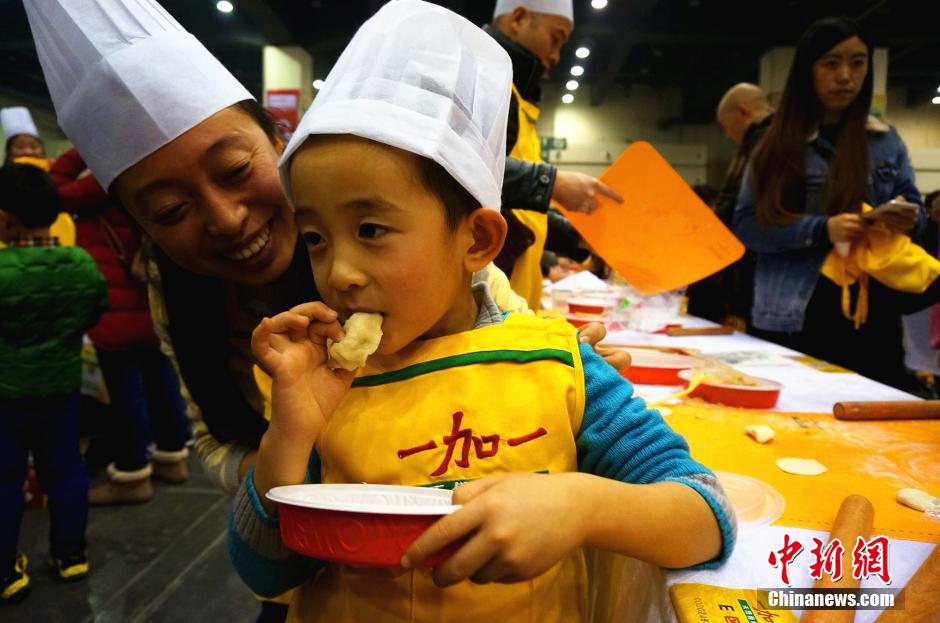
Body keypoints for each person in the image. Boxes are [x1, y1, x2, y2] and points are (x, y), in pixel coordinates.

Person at [24, 1, 626, 619]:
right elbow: (230, 483)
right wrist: (295, 461)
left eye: (234, 170)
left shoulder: (428, 259)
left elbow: (505, 343)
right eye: (170, 211)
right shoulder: (176, 291)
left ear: (280, 139)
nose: (226, 217)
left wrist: (557, 379)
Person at [229, 3, 735, 621]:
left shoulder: (556, 365)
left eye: (370, 228)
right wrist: (289, 435)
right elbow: (264, 571)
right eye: (315, 238)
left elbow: (706, 515)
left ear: (476, 241)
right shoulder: (322, 387)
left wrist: (580, 508)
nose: (339, 272)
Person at [733, 17, 931, 391]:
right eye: (831, 63)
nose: (845, 76)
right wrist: (823, 229)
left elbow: (918, 213)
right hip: (794, 314)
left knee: (876, 430)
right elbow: (746, 226)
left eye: (858, 62)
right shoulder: (774, 144)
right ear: (808, 69)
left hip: (874, 316)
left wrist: (910, 219)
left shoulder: (886, 140)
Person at [50, 148, 191, 505]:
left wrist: (82, 148)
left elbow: (54, 189)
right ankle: (173, 457)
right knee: (162, 383)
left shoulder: (104, 183)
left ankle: (131, 475)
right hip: (154, 303)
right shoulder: (149, 180)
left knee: (127, 395)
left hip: (117, 310)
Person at [0, 163, 107, 602]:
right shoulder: (81, 265)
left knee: (5, 482)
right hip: (62, 393)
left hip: (5, 398)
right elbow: (94, 311)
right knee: (66, 474)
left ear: (5, 219)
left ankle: (6, 572)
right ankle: (70, 555)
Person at [485, 0, 623, 311]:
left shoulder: (517, 96)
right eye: (555, 38)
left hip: (512, 304)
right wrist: (553, 183)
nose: (556, 56)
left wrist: (579, 237)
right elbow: (465, 171)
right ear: (519, 18)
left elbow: (518, 213)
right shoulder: (483, 81)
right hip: (485, 311)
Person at [687, 85, 774, 328]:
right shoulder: (771, 141)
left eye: (726, 126)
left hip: (756, 274)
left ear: (743, 111)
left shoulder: (762, 144)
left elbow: (737, 211)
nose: (727, 135)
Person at [1, 106, 76, 246]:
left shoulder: (58, 174)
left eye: (34, 146)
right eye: (20, 147)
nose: (28, 151)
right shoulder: (4, 180)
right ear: (9, 153)